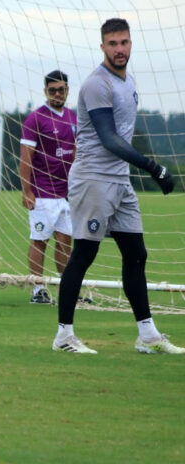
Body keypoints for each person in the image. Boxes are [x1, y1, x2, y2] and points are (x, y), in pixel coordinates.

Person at [53, 19, 184, 354]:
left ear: (131, 43)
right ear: (102, 47)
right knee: (84, 253)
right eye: (112, 44)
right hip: (94, 179)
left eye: (124, 42)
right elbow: (109, 138)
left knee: (136, 254)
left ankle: (148, 335)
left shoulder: (130, 81)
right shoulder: (98, 84)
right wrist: (153, 167)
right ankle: (64, 336)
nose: (119, 49)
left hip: (119, 181)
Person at [19, 70, 76, 304]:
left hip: (66, 193)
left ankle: (67, 288)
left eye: (61, 89)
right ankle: (37, 290)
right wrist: (27, 190)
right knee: (40, 239)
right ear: (45, 92)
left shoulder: (73, 118)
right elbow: (25, 157)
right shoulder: (36, 118)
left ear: (67, 91)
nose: (57, 94)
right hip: (42, 192)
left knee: (65, 241)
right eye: (52, 90)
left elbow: (76, 153)